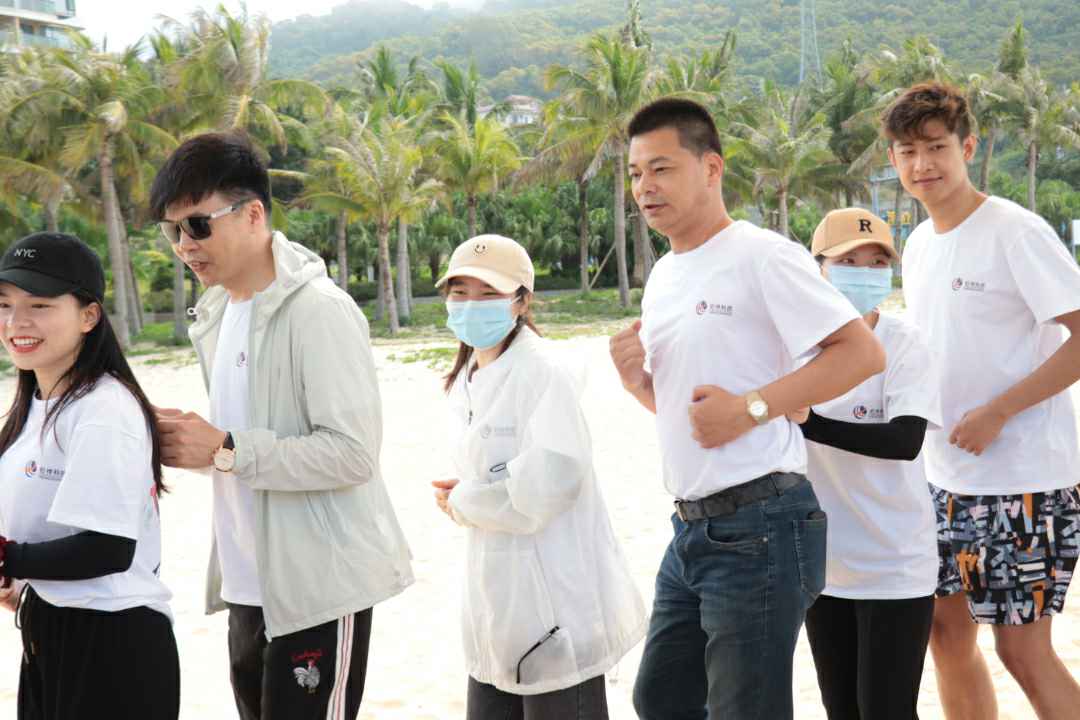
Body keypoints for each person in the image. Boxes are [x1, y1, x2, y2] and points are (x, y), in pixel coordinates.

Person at [610, 97, 885, 720]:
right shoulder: (665, 274)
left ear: (712, 168)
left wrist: (753, 408)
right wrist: (639, 386)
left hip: (762, 521)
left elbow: (861, 353)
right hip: (690, 527)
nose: (645, 187)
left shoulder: (762, 254)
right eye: (635, 173)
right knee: (661, 698)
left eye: (661, 168)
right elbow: (698, 420)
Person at [148, 131, 413, 720]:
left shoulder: (319, 310)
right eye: (172, 231)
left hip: (319, 588)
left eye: (197, 225)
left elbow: (352, 455)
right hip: (247, 584)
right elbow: (241, 445)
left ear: (253, 215)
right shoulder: (218, 313)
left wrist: (226, 450)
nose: (184, 245)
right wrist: (195, 446)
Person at [889, 82, 1080, 720]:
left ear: (967, 147)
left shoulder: (1013, 231)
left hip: (1024, 482)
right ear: (894, 159)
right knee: (945, 637)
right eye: (908, 151)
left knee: (1022, 652)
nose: (923, 164)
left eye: (936, 147)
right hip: (942, 479)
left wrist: (1001, 410)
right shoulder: (919, 243)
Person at [432, 234, 647, 720]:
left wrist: (464, 502)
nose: (471, 305)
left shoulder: (543, 372)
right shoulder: (467, 378)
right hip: (498, 612)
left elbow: (546, 488)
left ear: (521, 301)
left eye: (489, 293)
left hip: (555, 615)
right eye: (460, 292)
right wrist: (468, 498)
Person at [0, 232, 179, 720]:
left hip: (111, 642)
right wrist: (18, 576)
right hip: (48, 627)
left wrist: (10, 559)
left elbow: (108, 549)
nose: (16, 322)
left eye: (39, 305)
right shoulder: (34, 405)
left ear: (89, 316)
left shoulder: (104, 408)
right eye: (5, 304)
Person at [796, 208, 940, 720]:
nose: (865, 271)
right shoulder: (793, 347)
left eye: (877, 261)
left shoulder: (904, 343)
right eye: (848, 261)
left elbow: (906, 440)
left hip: (895, 561)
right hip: (824, 566)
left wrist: (810, 422)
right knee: (841, 710)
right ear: (819, 268)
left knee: (886, 710)